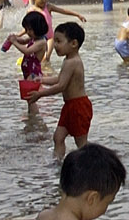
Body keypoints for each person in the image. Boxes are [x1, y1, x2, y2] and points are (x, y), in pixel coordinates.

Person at [29, 22, 91, 155]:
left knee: (81, 143)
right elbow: (59, 79)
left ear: (74, 44)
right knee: (58, 137)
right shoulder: (68, 60)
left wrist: (40, 94)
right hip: (69, 106)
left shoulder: (73, 62)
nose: (55, 45)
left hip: (78, 106)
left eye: (58, 41)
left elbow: (61, 86)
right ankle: (58, 163)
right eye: (54, 41)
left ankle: (90, 164)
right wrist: (42, 80)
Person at [4, 10, 50, 105]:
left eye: (29, 29)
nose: (27, 32)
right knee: (28, 98)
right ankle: (31, 116)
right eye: (26, 29)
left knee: (31, 99)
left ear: (37, 28)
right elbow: (24, 41)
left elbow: (27, 51)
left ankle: (33, 117)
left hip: (33, 73)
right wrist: (16, 38)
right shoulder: (34, 38)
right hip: (28, 71)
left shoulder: (41, 42)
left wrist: (14, 42)